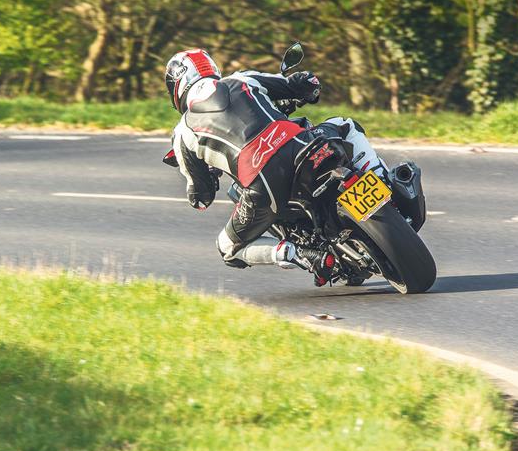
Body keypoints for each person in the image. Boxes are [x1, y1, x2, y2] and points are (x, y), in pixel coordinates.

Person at [164, 47, 388, 284]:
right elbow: (301, 84)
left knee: (227, 247)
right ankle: (381, 178)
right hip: (301, 147)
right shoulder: (241, 79)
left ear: (176, 87)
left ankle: (299, 254)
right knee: (345, 125)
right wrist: (307, 89)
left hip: (263, 186)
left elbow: (201, 197)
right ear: (211, 68)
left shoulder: (181, 133)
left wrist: (208, 175)